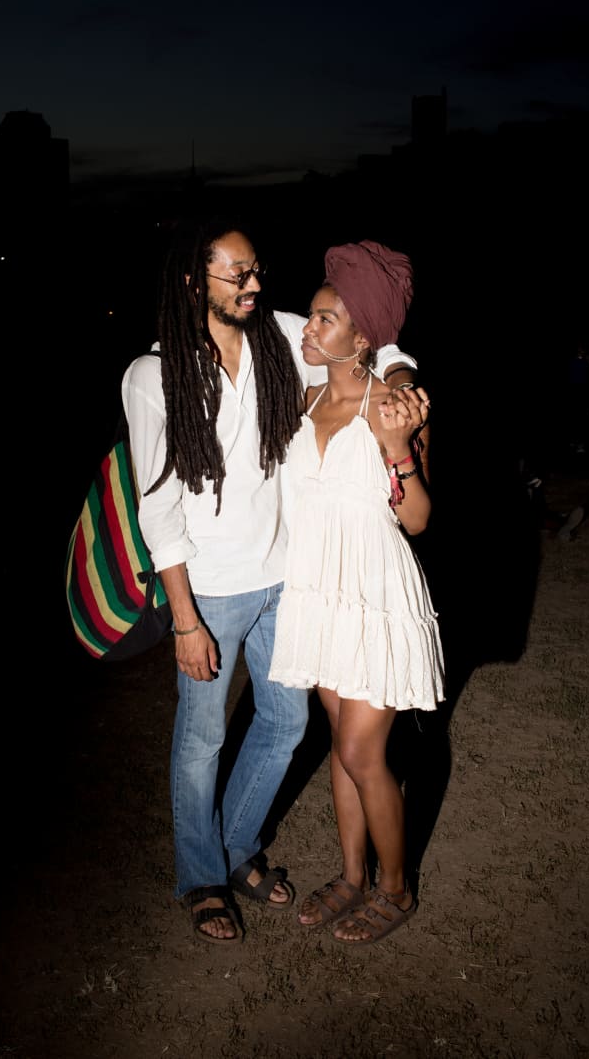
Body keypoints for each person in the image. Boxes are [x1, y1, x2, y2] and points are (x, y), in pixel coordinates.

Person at [122, 217, 419, 945]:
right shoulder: (150, 376)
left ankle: (234, 849)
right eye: (238, 274)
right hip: (213, 590)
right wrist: (184, 618)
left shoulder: (278, 338)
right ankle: (201, 878)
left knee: (285, 726)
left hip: (287, 579)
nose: (256, 285)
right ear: (196, 282)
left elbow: (369, 337)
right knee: (200, 742)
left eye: (258, 271)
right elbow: (156, 505)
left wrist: (404, 380)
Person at [269, 239, 445, 944]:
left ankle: (396, 890)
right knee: (341, 744)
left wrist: (401, 447)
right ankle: (351, 876)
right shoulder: (305, 397)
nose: (307, 330)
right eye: (310, 318)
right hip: (319, 592)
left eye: (321, 320)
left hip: (373, 594)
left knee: (362, 752)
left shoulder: (394, 407)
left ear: (362, 336)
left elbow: (420, 518)